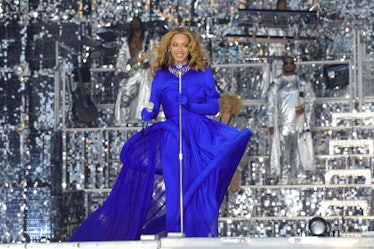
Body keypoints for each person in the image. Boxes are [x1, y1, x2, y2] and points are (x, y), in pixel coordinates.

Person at [69, 27, 251, 241]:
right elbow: (153, 107)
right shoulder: (161, 77)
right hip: (173, 137)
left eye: (184, 45)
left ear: (191, 47)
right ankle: (176, 238)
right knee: (175, 191)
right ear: (169, 48)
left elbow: (213, 106)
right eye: (175, 45)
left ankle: (202, 239)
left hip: (200, 136)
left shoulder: (203, 73)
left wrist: (191, 105)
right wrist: (148, 113)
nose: (180, 49)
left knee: (202, 191)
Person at [266, 56, 316, 185]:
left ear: (294, 65)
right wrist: (271, 123)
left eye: (291, 63)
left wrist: (304, 107)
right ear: (283, 65)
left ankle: (301, 175)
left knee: (300, 149)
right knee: (284, 150)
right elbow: (270, 104)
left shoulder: (303, 83)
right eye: (286, 63)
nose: (288, 65)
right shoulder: (277, 83)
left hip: (298, 121)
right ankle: (284, 176)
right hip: (282, 123)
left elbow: (311, 99)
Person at [114, 16, 157, 126]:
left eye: (137, 22)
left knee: (146, 99)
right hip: (131, 72)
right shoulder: (127, 42)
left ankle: (146, 125)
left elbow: (156, 55)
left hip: (145, 73)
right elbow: (121, 57)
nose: (135, 24)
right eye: (133, 23)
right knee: (125, 97)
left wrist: (150, 64)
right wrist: (120, 70)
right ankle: (123, 123)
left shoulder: (149, 40)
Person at [214, 93, 248, 192]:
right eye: (224, 103)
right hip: (218, 155)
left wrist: (243, 157)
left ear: (233, 106)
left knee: (234, 175)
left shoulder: (240, 122)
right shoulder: (214, 122)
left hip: (234, 154)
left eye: (228, 104)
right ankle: (221, 204)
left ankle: (233, 203)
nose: (226, 106)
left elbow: (243, 141)